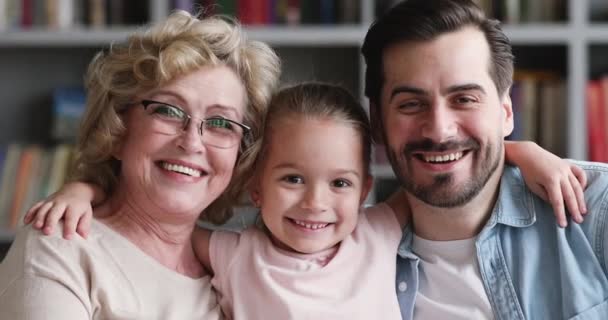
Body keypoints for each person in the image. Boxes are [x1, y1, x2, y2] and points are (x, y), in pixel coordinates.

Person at [23, 82, 588, 319]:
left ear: (365, 190)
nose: (316, 203)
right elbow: (151, 212)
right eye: (292, 179)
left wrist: (523, 152)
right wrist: (85, 188)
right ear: (254, 185)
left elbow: (450, 168)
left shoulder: (377, 229)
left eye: (340, 183)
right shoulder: (231, 252)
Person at [0, 10, 280, 319]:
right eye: (168, 111)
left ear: (240, 153)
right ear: (117, 130)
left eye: (220, 123)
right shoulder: (60, 247)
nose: (192, 142)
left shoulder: (238, 272)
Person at [361, 0, 608, 319]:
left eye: (464, 99)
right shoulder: (345, 257)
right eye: (411, 104)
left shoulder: (597, 209)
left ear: (506, 112)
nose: (439, 130)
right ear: (378, 122)